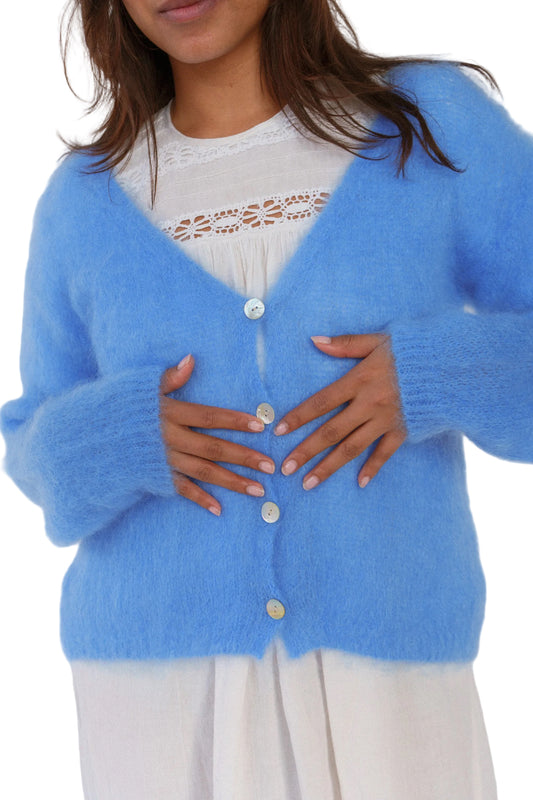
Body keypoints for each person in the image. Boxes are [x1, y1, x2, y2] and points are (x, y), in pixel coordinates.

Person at [2, 0, 532, 797]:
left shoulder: (426, 124)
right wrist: (120, 436)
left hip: (387, 676)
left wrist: (435, 372)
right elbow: (32, 448)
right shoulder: (83, 199)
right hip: (154, 701)